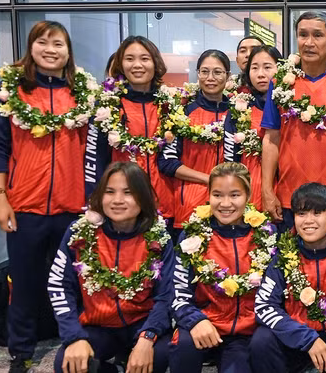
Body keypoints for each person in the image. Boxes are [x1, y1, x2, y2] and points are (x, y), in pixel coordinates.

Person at [0, 20, 95, 372]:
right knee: (26, 284)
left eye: (58, 43)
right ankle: (21, 353)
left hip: (74, 208)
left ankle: (79, 345)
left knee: (78, 282)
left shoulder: (84, 95)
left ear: (68, 51)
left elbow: (96, 153)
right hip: (25, 208)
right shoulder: (10, 93)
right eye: (43, 42)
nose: (51, 49)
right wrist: (0, 196)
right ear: (31, 48)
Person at [50, 162, 173, 373]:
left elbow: (166, 295)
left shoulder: (158, 237)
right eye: (109, 192)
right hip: (97, 325)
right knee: (69, 365)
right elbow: (60, 287)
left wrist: (147, 337)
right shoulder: (79, 233)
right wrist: (74, 337)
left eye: (128, 193)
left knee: (159, 357)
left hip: (141, 324)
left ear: (143, 198)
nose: (117, 200)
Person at [260, 11, 326, 235]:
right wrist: (267, 190)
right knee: (290, 267)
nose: (309, 42)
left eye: (317, 35)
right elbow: (271, 138)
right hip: (290, 197)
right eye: (302, 35)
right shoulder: (279, 82)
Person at [250, 182, 326, 373]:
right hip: (296, 334)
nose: (308, 221)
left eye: (317, 213)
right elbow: (264, 306)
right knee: (261, 340)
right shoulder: (283, 255)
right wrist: (307, 338)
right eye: (301, 214)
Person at [170, 162, 277, 373]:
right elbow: (177, 291)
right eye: (217, 195)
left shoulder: (267, 234)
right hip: (204, 323)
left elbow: (276, 292)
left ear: (248, 196)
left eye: (235, 195)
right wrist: (195, 320)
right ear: (208, 195)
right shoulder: (192, 234)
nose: (225, 203)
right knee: (182, 346)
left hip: (246, 331)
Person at [86, 36, 176, 235]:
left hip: (167, 203)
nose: (137, 65)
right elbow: (95, 158)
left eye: (144, 58)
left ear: (155, 63)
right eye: (129, 59)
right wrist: (94, 201)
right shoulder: (107, 106)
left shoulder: (171, 104)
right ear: (120, 64)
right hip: (122, 206)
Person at [158, 49, 230, 231]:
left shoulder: (238, 113)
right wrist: (208, 179)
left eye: (218, 72)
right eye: (204, 72)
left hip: (228, 206)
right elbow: (167, 162)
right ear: (197, 74)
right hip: (189, 205)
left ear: (228, 76)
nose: (210, 77)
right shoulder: (183, 113)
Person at [224, 45, 282, 211]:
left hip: (286, 186)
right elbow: (230, 159)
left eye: (268, 67)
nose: (261, 74)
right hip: (250, 190)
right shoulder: (239, 109)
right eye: (254, 68)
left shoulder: (289, 108)